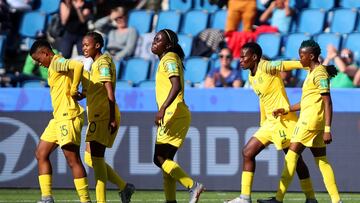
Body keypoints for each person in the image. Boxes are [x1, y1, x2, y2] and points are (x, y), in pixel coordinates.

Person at [225, 42, 317, 203]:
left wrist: (307, 65)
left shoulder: (266, 66)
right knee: (248, 152)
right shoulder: (250, 76)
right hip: (270, 123)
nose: (240, 60)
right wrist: (263, 121)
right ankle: (244, 198)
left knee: (295, 161)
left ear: (254, 57)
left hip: (284, 121)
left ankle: (310, 198)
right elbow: (263, 99)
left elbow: (284, 64)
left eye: (243, 57)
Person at [257, 40, 342, 203]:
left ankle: (279, 198)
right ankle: (336, 200)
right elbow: (309, 101)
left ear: (311, 56)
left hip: (309, 122)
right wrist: (287, 109)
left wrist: (327, 128)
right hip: (314, 121)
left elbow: (327, 101)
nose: (299, 59)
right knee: (322, 161)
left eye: (301, 56)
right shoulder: (313, 72)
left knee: (291, 157)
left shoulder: (319, 74)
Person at [30, 39, 91, 203]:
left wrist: (74, 88)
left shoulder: (57, 62)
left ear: (45, 53)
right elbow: (84, 73)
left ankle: (86, 200)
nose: (38, 64)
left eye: (38, 59)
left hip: (68, 116)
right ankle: (47, 197)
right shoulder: (53, 66)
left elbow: (78, 66)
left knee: (73, 160)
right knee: (41, 153)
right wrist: (84, 90)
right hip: (58, 118)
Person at [151, 29, 205, 203]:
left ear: (167, 46)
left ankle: (193, 186)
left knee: (159, 159)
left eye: (158, 40)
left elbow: (176, 86)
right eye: (154, 38)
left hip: (173, 113)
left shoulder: (169, 58)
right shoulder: (169, 59)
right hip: (176, 113)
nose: (154, 41)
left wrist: (163, 109)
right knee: (167, 161)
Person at [81, 31, 135, 203]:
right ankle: (124, 187)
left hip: (103, 115)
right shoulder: (99, 62)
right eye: (83, 45)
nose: (84, 48)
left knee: (96, 159)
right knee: (91, 158)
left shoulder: (102, 63)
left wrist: (111, 117)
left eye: (86, 45)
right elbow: (97, 89)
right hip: (98, 114)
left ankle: (102, 200)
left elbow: (109, 91)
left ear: (97, 45)